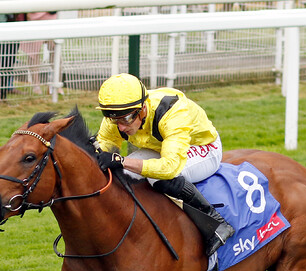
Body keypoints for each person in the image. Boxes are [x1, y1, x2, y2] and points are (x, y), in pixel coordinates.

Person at [94, 73, 235, 256]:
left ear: (143, 109)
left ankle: (217, 224)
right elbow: (104, 147)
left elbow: (170, 167)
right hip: (162, 148)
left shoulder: (171, 110)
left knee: (156, 176)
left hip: (202, 147)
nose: (120, 126)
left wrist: (121, 161)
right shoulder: (120, 113)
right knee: (125, 176)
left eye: (126, 119)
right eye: (114, 119)